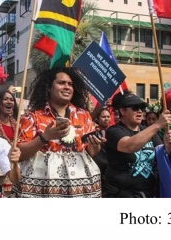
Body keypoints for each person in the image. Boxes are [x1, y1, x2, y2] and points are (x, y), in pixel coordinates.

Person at [12, 67, 105, 198]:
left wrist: (95, 144)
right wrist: (45, 138)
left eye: (70, 84)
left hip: (80, 187)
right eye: (61, 83)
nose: (67, 87)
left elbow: (92, 152)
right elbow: (19, 154)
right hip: (43, 186)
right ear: (49, 87)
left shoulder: (84, 115)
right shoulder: (32, 117)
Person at [103, 91, 171, 198]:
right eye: (135, 108)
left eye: (142, 108)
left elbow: (162, 155)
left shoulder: (148, 131)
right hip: (121, 195)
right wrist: (158, 124)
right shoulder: (113, 131)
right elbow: (129, 146)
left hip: (148, 193)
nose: (140, 111)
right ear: (122, 110)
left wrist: (169, 145)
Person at [0, 90, 19, 196]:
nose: (9, 102)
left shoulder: (17, 124)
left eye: (12, 100)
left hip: (14, 168)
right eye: (6, 99)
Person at [92, 108, 111, 190]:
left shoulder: (114, 131)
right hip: (96, 168)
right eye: (103, 117)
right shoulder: (92, 131)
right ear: (98, 119)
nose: (106, 119)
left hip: (109, 168)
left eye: (108, 116)